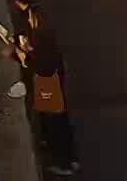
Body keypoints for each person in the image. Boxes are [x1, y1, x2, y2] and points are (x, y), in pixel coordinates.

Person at [16, 29, 80, 174]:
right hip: (56, 87)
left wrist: (24, 58)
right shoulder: (52, 51)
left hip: (50, 90)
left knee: (56, 125)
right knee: (62, 124)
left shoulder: (45, 56)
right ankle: (71, 158)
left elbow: (40, 68)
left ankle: (65, 164)